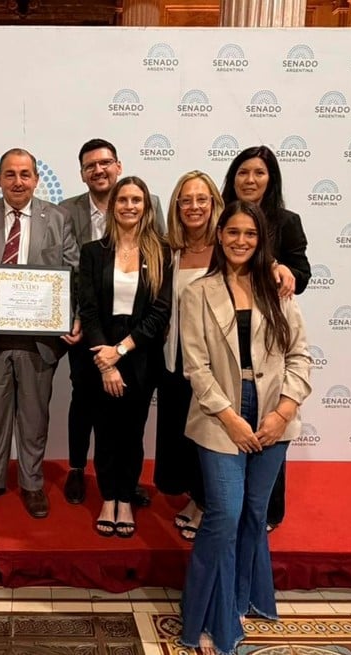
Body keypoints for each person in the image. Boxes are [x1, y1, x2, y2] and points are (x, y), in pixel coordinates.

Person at [178, 200, 311, 655]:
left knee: (255, 513)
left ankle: (240, 602)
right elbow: (196, 367)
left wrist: (283, 411)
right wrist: (230, 418)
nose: (240, 241)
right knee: (224, 514)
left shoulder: (278, 288)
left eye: (250, 234)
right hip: (220, 416)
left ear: (261, 240)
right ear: (220, 236)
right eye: (233, 232)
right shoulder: (198, 292)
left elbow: (300, 355)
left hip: (274, 413)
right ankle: (205, 617)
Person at [0, 147, 81, 519]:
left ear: (36, 179)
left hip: (39, 343)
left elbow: (74, 277)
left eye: (25, 174)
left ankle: (32, 484)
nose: (18, 181)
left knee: (33, 418)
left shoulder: (58, 218)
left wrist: (74, 317)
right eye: (10, 174)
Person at [59, 138, 159, 507]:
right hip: (85, 325)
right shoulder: (66, 211)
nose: (99, 170)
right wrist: (73, 316)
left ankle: (123, 484)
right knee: (84, 398)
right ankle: (76, 467)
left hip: (134, 334)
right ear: (82, 173)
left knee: (129, 415)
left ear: (118, 166)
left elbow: (158, 268)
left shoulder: (149, 204)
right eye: (90, 166)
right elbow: (61, 268)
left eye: (105, 163)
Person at [221, 145, 310, 532]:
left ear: (271, 178)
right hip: (225, 327)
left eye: (259, 172)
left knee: (271, 431)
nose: (250, 179)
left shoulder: (287, 222)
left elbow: (301, 276)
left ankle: (266, 513)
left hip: (269, 335)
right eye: (243, 172)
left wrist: (280, 267)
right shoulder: (220, 216)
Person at [77, 176, 172, 538]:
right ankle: (108, 498)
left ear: (146, 207)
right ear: (112, 205)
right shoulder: (93, 251)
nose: (129, 206)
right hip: (100, 351)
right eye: (123, 200)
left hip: (140, 354)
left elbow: (159, 312)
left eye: (137, 200)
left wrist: (120, 352)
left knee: (132, 433)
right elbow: (88, 310)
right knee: (105, 431)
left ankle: (126, 498)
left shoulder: (161, 252)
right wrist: (106, 361)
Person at [155, 171, 223, 542]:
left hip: (216, 363)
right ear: (177, 206)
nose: (194, 206)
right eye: (186, 200)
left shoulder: (228, 247)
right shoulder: (171, 251)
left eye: (201, 199)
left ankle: (206, 502)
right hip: (176, 358)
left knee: (211, 434)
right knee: (185, 433)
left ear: (214, 203)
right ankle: (196, 496)